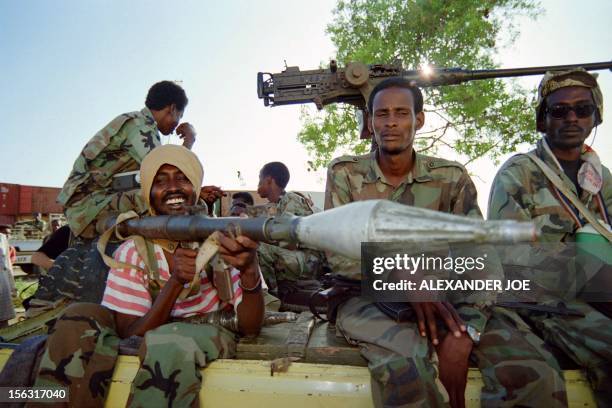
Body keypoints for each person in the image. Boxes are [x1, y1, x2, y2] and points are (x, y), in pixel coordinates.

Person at [325, 77, 565, 407]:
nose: (391, 122)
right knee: (407, 372)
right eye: (381, 114)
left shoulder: (450, 178)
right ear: (370, 122)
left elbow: (479, 253)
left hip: (449, 297)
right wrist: (401, 276)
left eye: (401, 112)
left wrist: (468, 328)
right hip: (367, 297)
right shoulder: (346, 174)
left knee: (537, 373)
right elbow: (338, 251)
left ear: (418, 120)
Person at [31, 144, 264, 407]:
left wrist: (249, 270)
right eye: (160, 181)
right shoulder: (135, 250)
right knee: (77, 315)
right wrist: (175, 282)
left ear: (196, 185)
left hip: (204, 331)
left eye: (182, 178)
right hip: (149, 330)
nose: (173, 187)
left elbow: (249, 327)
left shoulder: (222, 241)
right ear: (148, 193)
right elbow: (131, 332)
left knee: (168, 342)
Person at [488, 68, 612, 406]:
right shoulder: (518, 174)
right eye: (559, 110)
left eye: (583, 109)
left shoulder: (602, 179)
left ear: (595, 116)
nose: (572, 117)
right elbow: (511, 260)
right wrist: (592, 277)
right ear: (543, 120)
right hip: (537, 301)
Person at [29, 82, 197, 309]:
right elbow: (168, 171)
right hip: (89, 206)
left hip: (92, 203)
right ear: (172, 108)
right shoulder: (141, 125)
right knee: (168, 197)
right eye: (179, 115)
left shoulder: (134, 122)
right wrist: (189, 141)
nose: (177, 123)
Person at [254, 161, 326, 298]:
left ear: (269, 181)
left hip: (311, 261)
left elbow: (288, 241)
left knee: (259, 249)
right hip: (302, 258)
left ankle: (272, 299)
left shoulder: (291, 199)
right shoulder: (278, 205)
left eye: (260, 180)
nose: (257, 184)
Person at [0, 224, 16, 328]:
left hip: (3, 281)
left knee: (4, 317)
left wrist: (12, 286)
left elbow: (7, 264)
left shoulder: (2, 239)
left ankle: (5, 341)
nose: (7, 236)